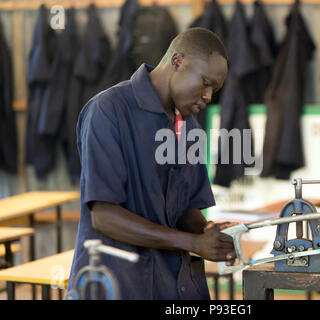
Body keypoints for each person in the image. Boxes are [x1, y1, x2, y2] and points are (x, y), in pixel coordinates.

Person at [66, 27, 235, 300]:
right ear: (177, 62)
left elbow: (186, 210)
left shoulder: (189, 128)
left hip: (174, 284)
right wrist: (193, 242)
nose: (208, 97)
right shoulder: (108, 111)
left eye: (214, 90)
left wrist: (210, 235)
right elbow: (104, 216)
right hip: (118, 283)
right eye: (205, 83)